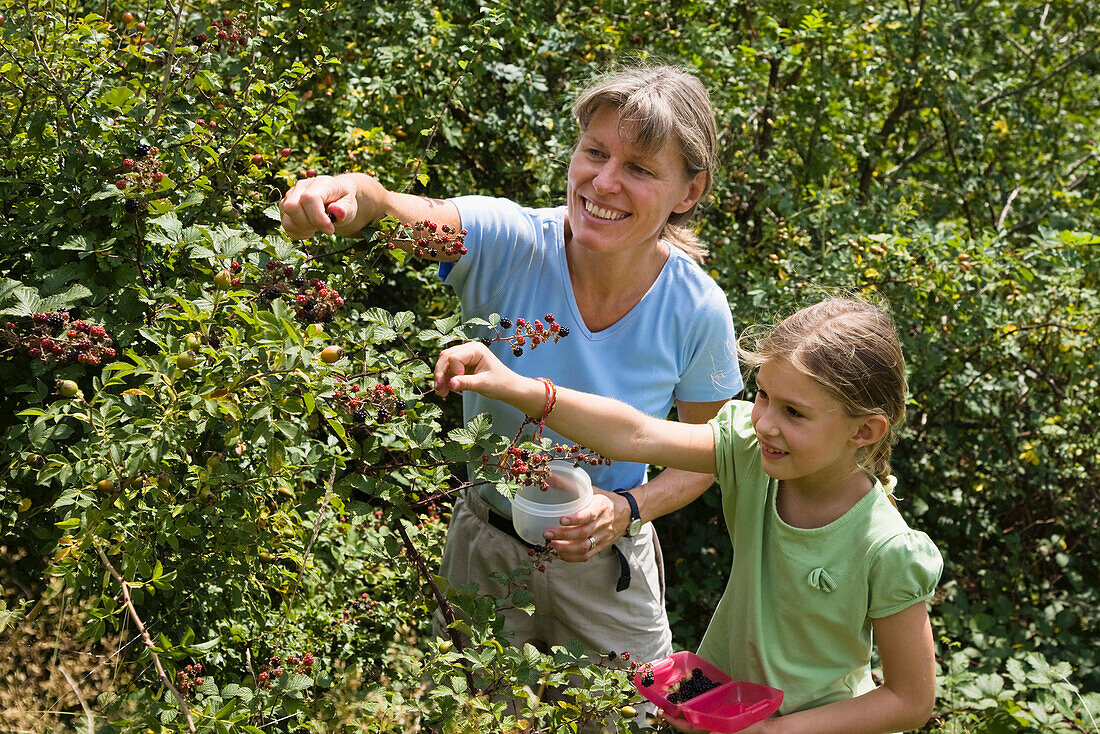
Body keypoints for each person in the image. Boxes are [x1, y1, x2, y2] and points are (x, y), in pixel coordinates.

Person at [281, 65, 743, 671]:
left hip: (608, 564)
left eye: (639, 168)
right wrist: (358, 193)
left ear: (689, 191)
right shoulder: (512, 242)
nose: (603, 183)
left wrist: (627, 509)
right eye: (594, 152)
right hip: (486, 550)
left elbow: (710, 453)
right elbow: (400, 212)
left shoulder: (697, 308)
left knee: (625, 716)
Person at [432, 296, 944, 734]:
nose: (765, 421)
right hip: (725, 712)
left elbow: (911, 699)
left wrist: (774, 731)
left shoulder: (887, 548)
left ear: (865, 431)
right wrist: (514, 386)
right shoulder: (752, 452)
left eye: (795, 412)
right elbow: (636, 433)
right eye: (763, 395)